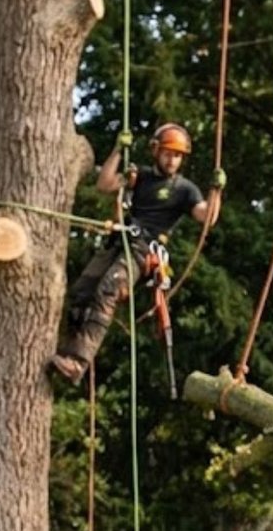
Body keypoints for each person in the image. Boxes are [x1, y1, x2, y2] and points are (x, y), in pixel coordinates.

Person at [50, 122, 216, 384]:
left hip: (144, 250)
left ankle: (78, 363)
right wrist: (118, 150)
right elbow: (104, 184)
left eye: (177, 156)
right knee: (81, 294)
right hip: (120, 240)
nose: (172, 160)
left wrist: (216, 191)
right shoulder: (141, 176)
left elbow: (207, 217)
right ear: (156, 151)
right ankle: (65, 354)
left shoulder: (184, 189)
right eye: (168, 153)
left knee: (109, 289)